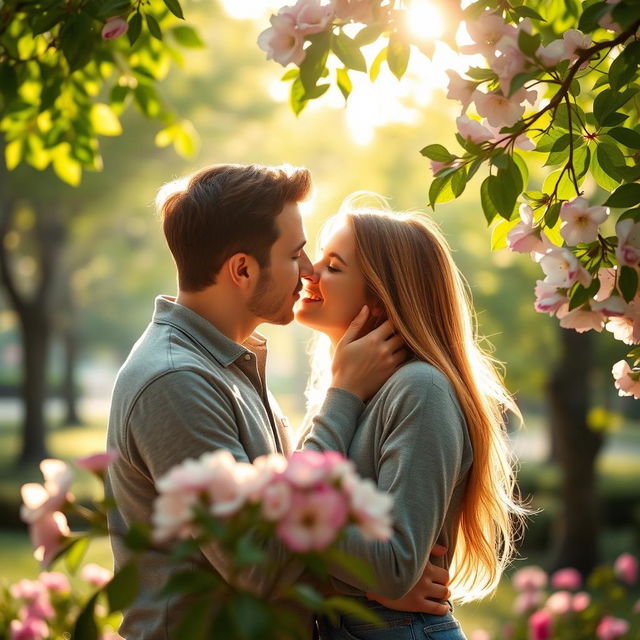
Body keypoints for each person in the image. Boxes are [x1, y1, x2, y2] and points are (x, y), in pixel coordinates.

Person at [106, 164, 451, 640]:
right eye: (295, 254)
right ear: (243, 270)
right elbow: (260, 563)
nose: (309, 271)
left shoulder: (231, 366)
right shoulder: (176, 380)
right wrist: (369, 588)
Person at [295, 200, 528, 639]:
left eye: (333, 265)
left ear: (380, 301)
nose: (310, 272)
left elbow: (392, 565)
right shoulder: (352, 389)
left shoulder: (421, 390)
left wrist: (373, 578)